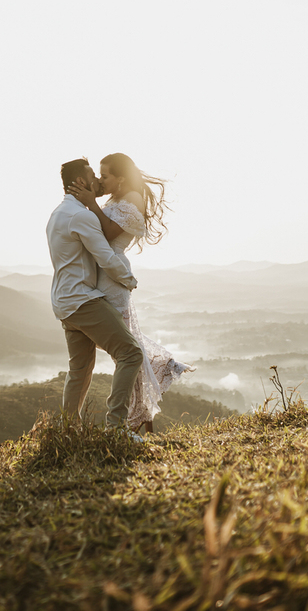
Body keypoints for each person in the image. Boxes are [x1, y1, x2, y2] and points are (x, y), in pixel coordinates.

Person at [67, 152, 194, 432]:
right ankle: (140, 419)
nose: (101, 180)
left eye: (105, 176)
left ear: (121, 178)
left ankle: (131, 422)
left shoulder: (133, 198)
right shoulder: (114, 199)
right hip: (101, 274)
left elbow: (109, 233)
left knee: (127, 352)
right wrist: (93, 198)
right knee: (127, 350)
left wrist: (91, 204)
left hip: (112, 277)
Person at [46, 157, 145, 440]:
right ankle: (116, 428)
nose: (98, 181)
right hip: (84, 300)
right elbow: (105, 257)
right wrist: (128, 280)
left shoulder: (57, 214)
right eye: (93, 175)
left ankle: (69, 432)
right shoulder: (82, 215)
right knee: (131, 353)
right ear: (80, 182)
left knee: (79, 370)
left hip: (63, 302)